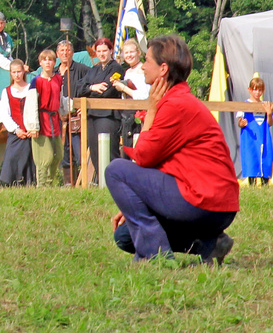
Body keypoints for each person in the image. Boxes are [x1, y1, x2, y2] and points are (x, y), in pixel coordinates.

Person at [105, 34, 239, 265]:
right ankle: (210, 244)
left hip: (203, 199)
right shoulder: (181, 100)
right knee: (125, 236)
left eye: (147, 60)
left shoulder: (174, 105)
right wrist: (132, 203)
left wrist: (151, 111)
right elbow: (157, 163)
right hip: (217, 204)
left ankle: (155, 256)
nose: (143, 66)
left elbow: (145, 157)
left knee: (116, 169)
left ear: (163, 68)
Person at [78, 38, 126, 180]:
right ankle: (101, 183)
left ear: (111, 51)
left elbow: (107, 91)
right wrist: (92, 87)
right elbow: (79, 88)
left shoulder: (116, 68)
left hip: (108, 115)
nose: (102, 54)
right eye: (98, 51)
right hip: (92, 115)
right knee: (95, 152)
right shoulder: (94, 70)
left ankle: (115, 181)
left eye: (104, 50)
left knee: (109, 151)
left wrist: (89, 90)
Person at [0, 57, 38, 186]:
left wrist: (32, 128)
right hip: (15, 134)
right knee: (10, 160)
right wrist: (16, 130)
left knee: (31, 163)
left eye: (19, 71)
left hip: (31, 133)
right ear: (10, 73)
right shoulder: (7, 92)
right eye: (14, 72)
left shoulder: (31, 89)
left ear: (23, 72)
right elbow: (5, 114)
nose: (17, 75)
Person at [29, 50, 65, 186]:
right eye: (45, 60)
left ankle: (50, 183)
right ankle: (42, 185)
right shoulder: (36, 81)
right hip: (41, 119)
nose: (48, 62)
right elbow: (31, 104)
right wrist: (33, 126)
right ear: (40, 63)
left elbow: (60, 99)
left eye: (50, 60)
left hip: (54, 120)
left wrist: (66, 109)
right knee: (45, 157)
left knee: (58, 155)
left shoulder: (58, 79)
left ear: (54, 63)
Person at [55, 39, 89, 183]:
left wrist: (85, 105)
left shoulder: (82, 69)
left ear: (72, 53)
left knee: (80, 152)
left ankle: (84, 183)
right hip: (59, 119)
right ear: (57, 54)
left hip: (76, 118)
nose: (65, 53)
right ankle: (68, 184)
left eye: (67, 50)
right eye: (62, 51)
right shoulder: (53, 71)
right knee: (64, 155)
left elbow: (91, 87)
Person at [235, 74, 273, 185]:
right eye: (255, 90)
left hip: (263, 136)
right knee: (251, 158)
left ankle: (265, 183)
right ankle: (252, 184)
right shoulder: (244, 104)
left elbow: (270, 123)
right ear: (250, 90)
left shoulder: (266, 105)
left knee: (265, 157)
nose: (257, 92)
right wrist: (241, 123)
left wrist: (269, 113)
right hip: (250, 138)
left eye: (260, 90)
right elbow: (240, 121)